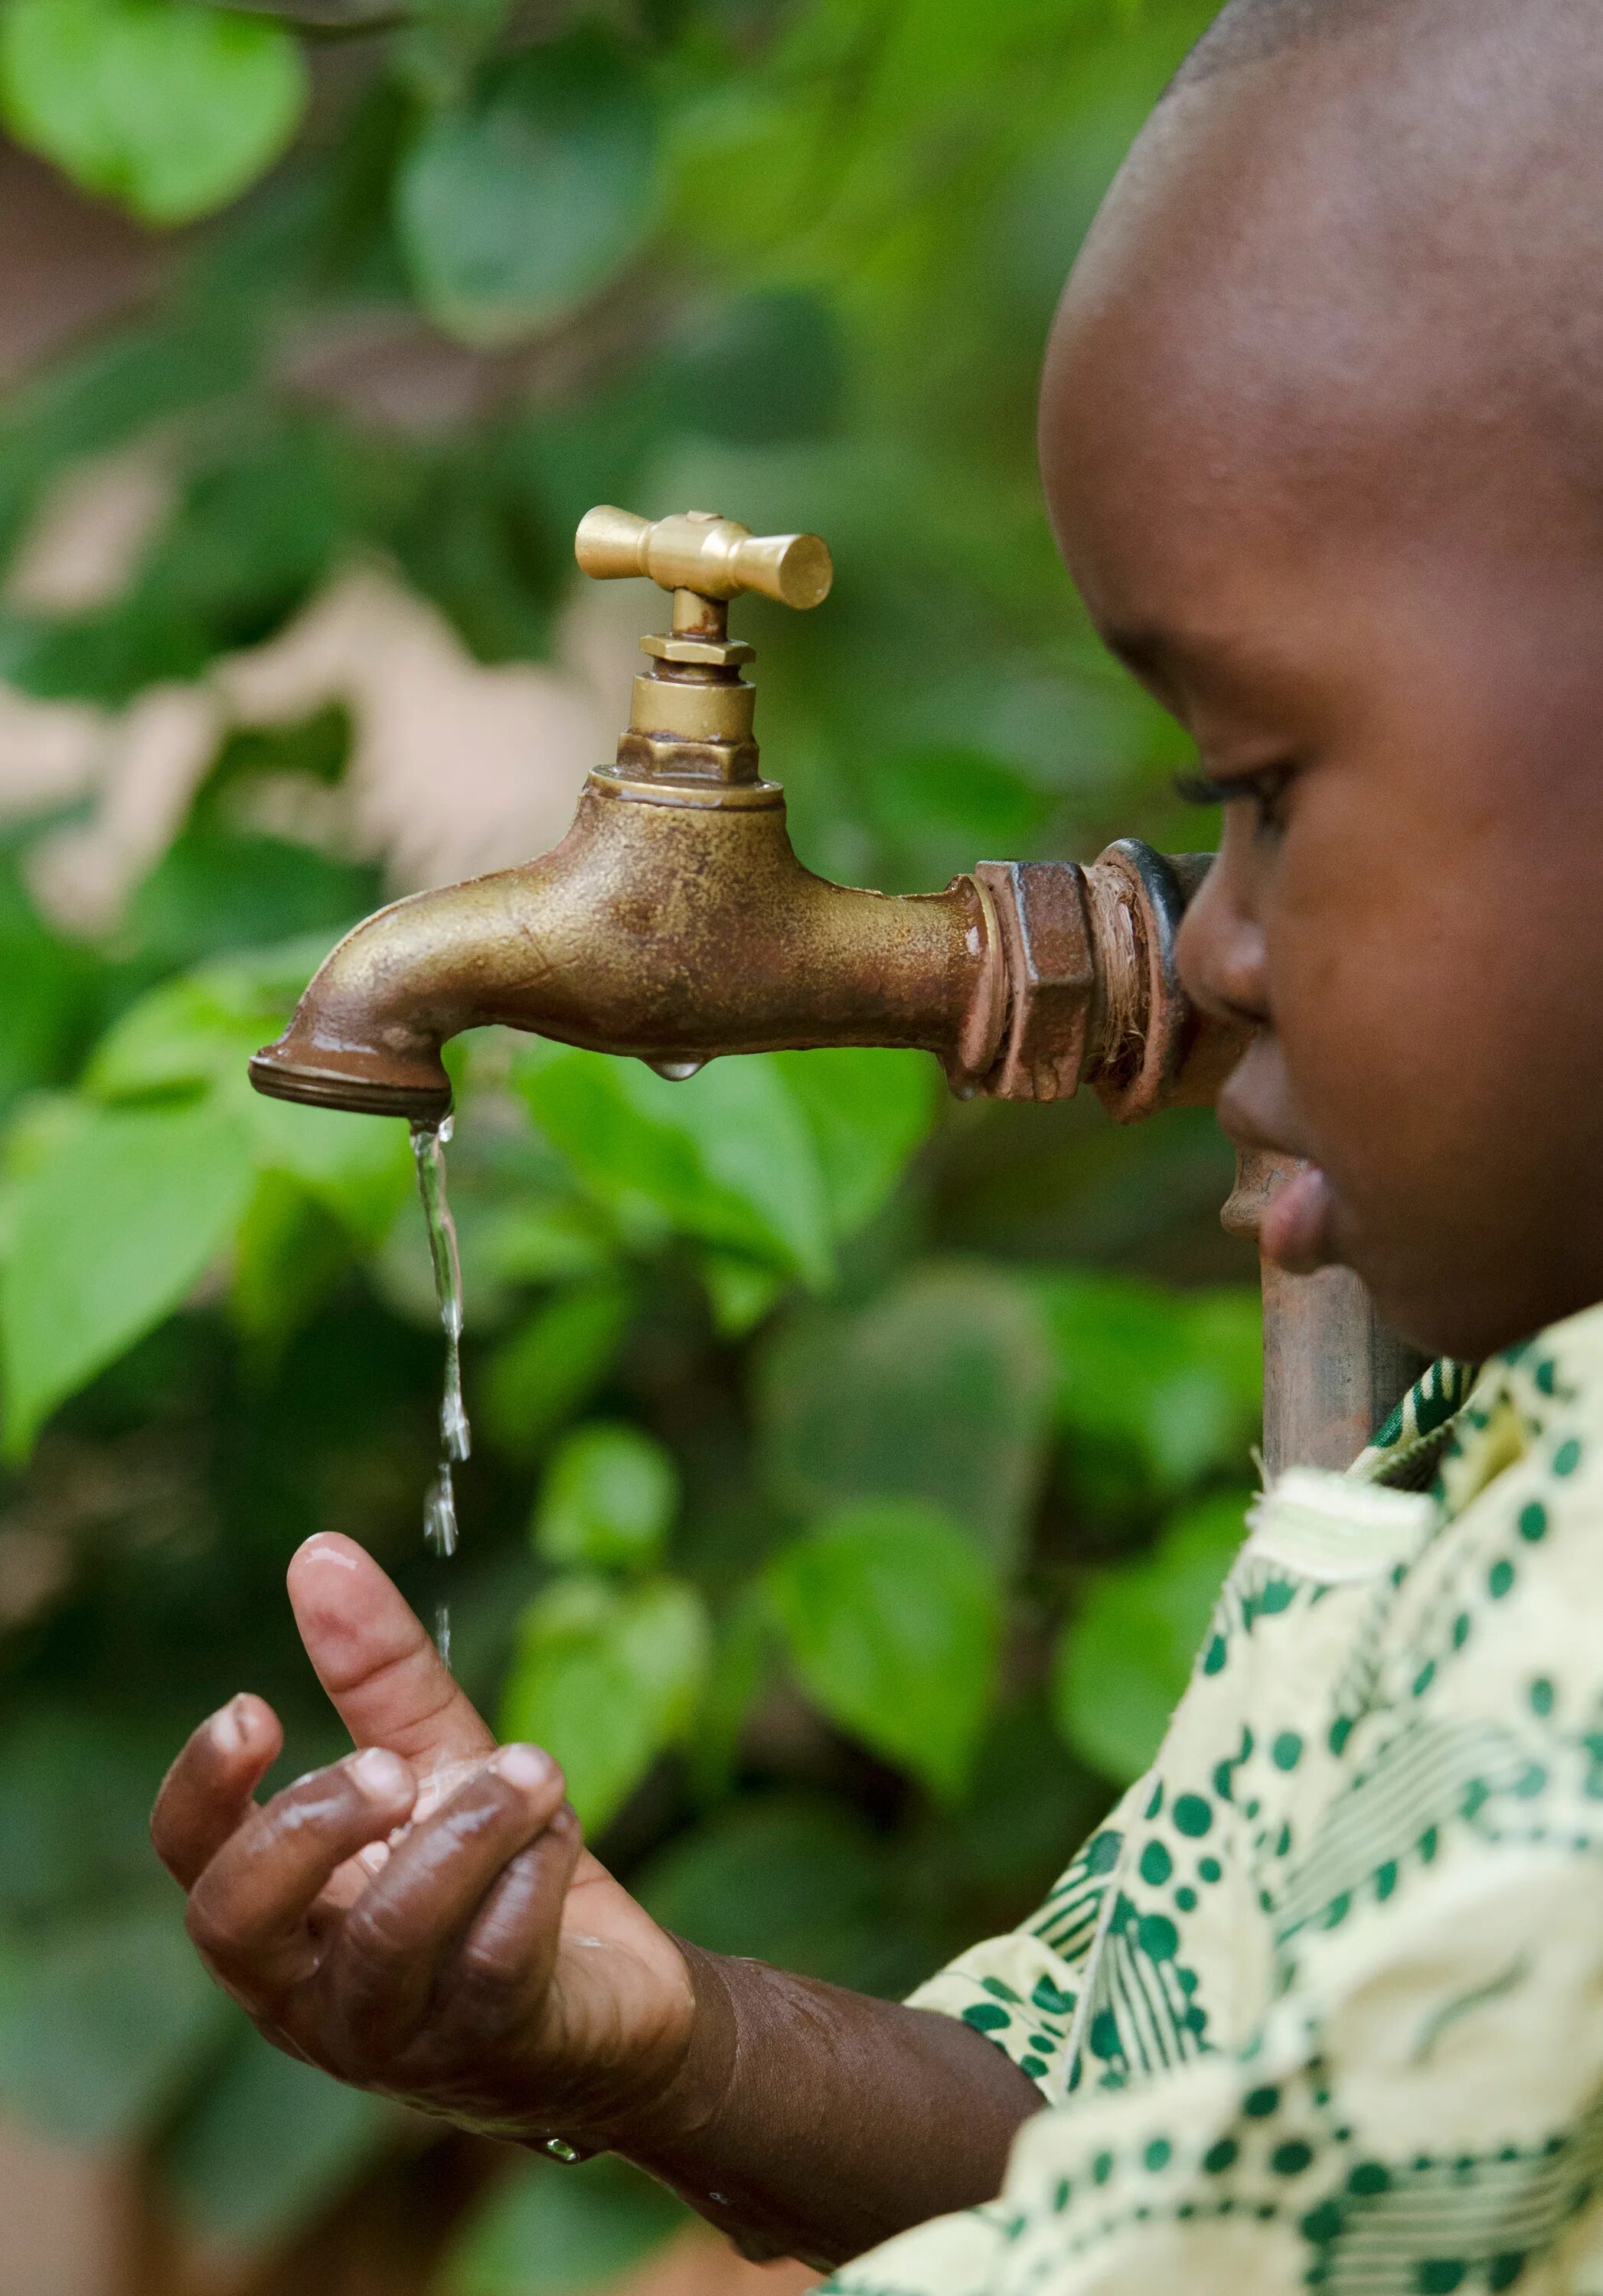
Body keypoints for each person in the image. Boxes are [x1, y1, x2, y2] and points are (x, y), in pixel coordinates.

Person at [152, 0, 1603, 2285]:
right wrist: (664, 2046)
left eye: (1258, 790)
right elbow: (1150, 2146)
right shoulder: (1505, 1433)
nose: (1206, 940)